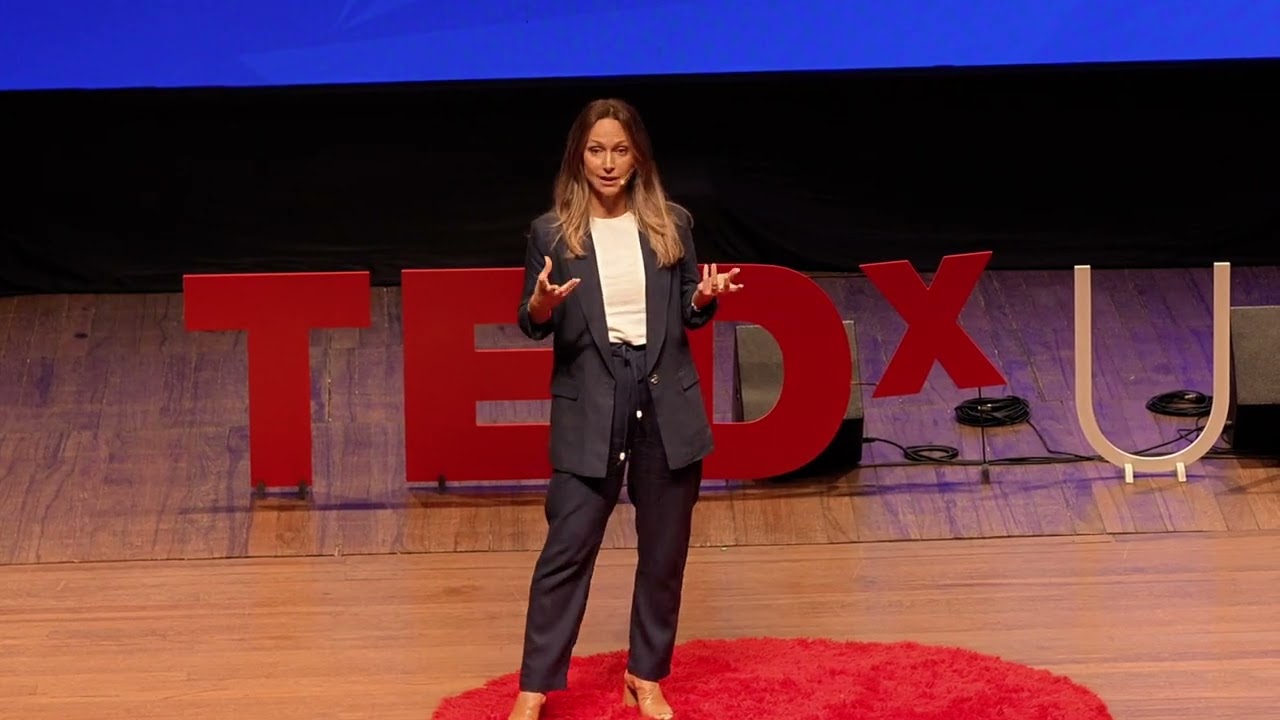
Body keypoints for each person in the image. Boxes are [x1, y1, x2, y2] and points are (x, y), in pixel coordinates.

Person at [507, 98, 743, 720]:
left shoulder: (672, 223)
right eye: (595, 150)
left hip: (664, 395)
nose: (608, 163)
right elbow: (531, 323)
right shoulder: (551, 232)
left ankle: (644, 675)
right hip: (594, 396)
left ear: (637, 157)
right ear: (578, 157)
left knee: (664, 552)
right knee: (567, 550)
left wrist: (707, 296)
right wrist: (542, 306)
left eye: (619, 150)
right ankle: (534, 687)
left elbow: (689, 307)